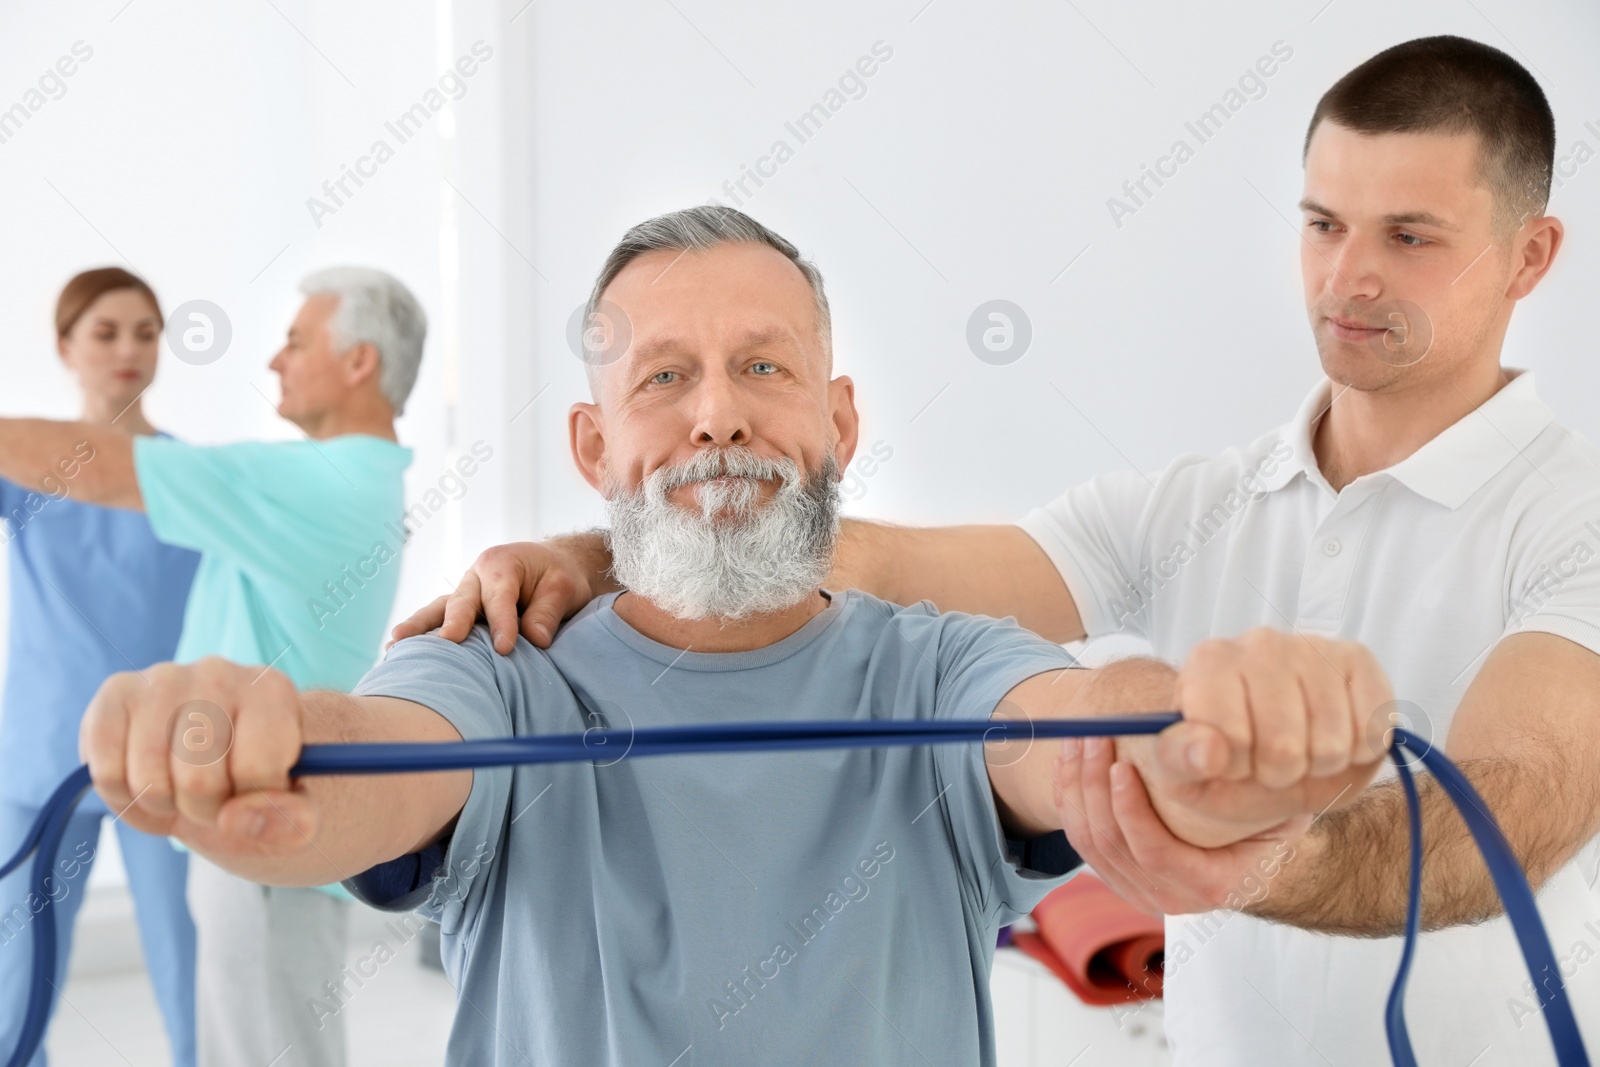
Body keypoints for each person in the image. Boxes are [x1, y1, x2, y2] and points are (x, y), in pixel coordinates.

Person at [396, 37, 1600, 1065]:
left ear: (1530, 257)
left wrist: (1235, 845)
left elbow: (1502, 826)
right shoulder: (1196, 501)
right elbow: (850, 552)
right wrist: (610, 543)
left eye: (1409, 235)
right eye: (1324, 224)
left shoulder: (1575, 516)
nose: (1348, 274)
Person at [77, 207, 1394, 1066]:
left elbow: (1094, 733)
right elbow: (374, 758)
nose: (717, 416)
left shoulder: (939, 664)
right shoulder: (492, 663)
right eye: (664, 376)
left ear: (839, 421)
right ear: (594, 445)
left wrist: (1220, 745)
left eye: (764, 368)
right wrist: (260, 743)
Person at [0, 266, 425, 1067]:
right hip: (77, 755)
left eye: (296, 341)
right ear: (65, 348)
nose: (274, 361)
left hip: (217, 785)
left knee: (231, 1025)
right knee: (29, 996)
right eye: (104, 332)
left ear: (359, 361)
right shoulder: (314, 480)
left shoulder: (286, 483)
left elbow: (102, 468)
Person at [0, 268, 201, 1067]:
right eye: (106, 333)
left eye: (146, 333)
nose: (129, 350)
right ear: (65, 347)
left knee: (188, 968)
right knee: (16, 983)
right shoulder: (25, 467)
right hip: (40, 758)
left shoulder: (189, 477)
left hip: (161, 760)